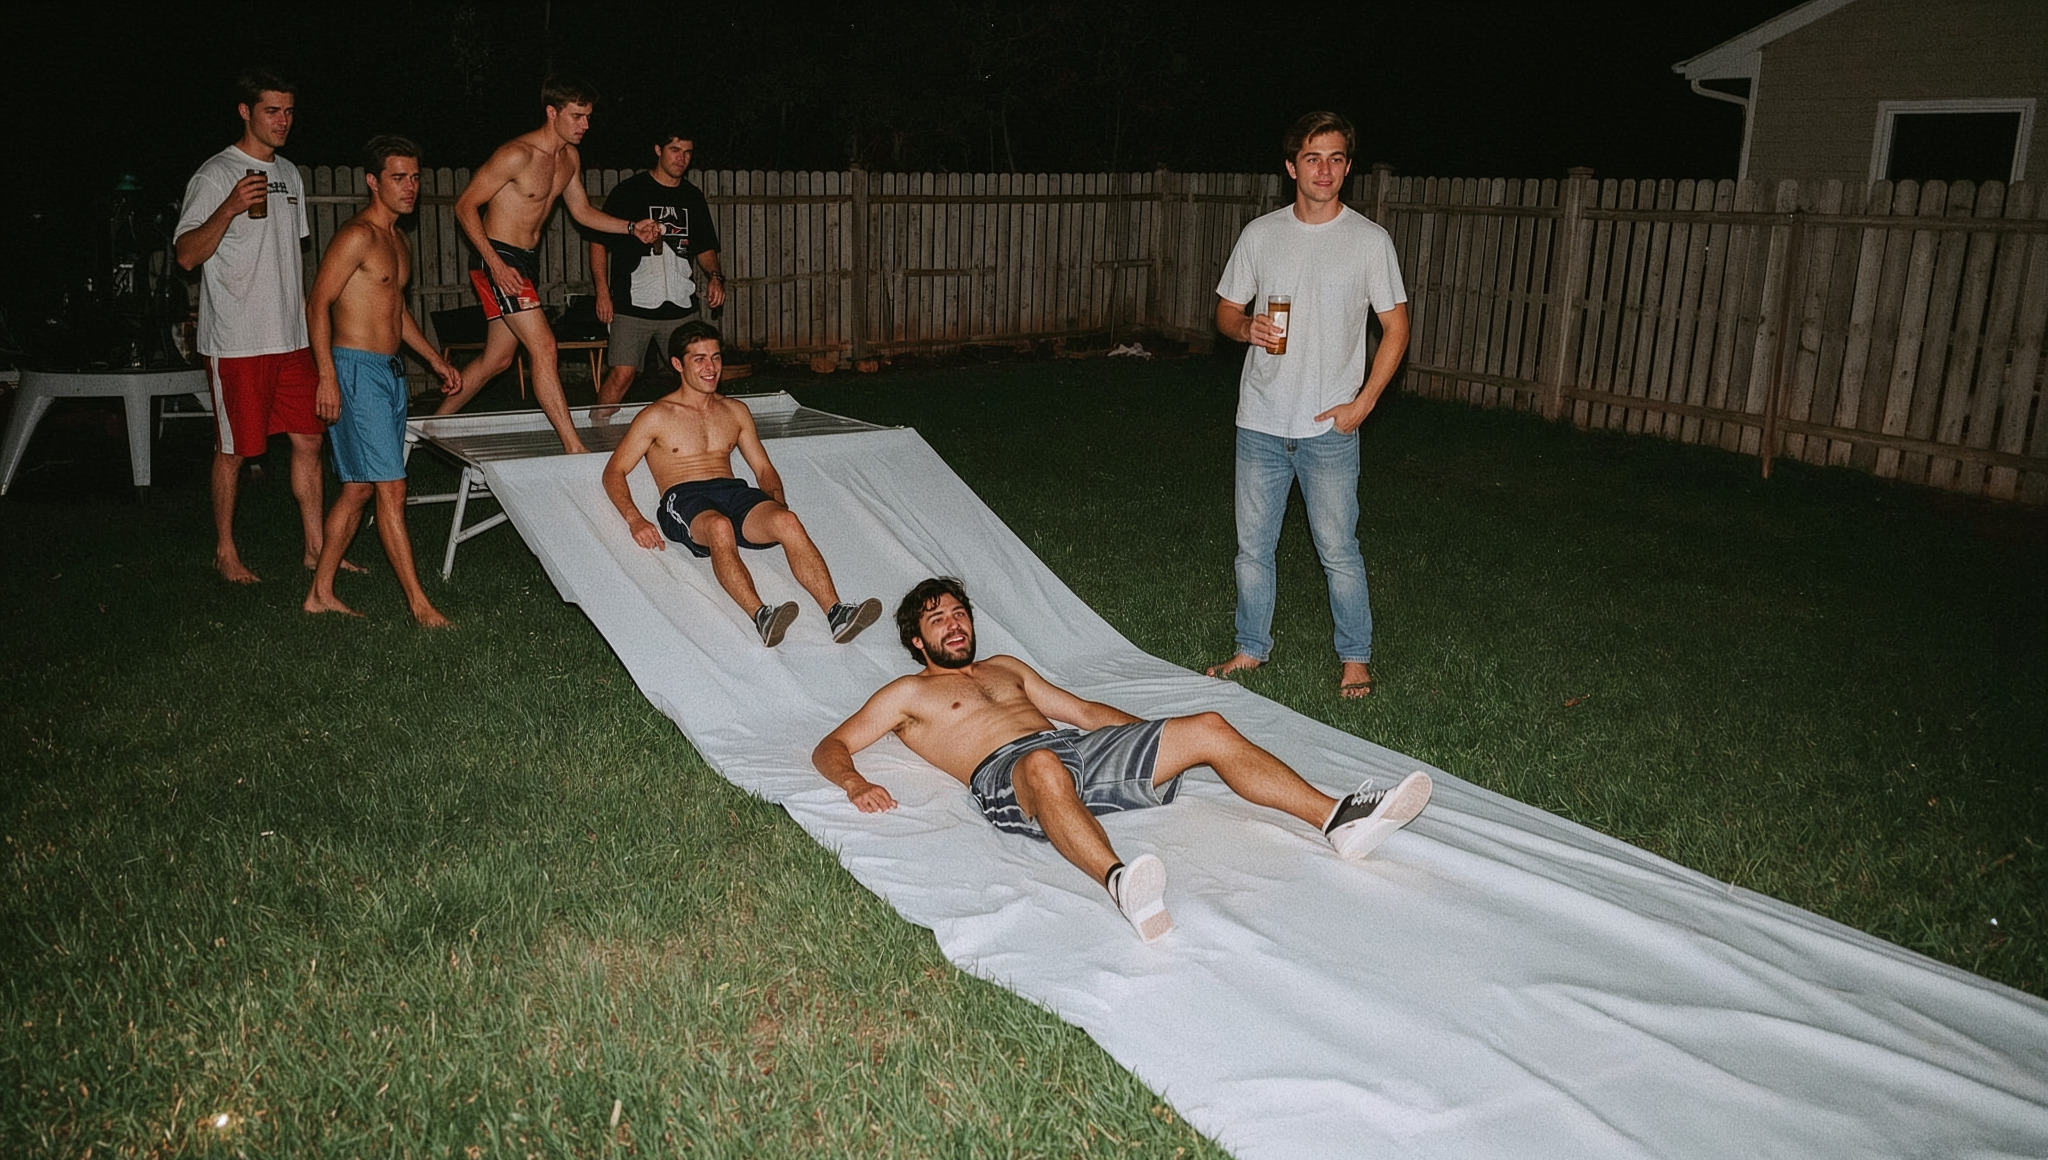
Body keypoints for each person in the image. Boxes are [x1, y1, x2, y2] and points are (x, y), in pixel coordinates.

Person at [813, 578, 1433, 942]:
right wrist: (853, 782)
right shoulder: (907, 695)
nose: (953, 625)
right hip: (1011, 774)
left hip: (1074, 750)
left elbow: (1083, 713)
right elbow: (831, 745)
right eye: (937, 620)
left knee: (1210, 726)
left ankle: (1338, 821)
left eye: (958, 613)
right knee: (1043, 769)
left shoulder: (1006, 669)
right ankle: (1123, 887)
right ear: (917, 641)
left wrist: (1159, 740)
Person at [1206, 112, 1411, 699]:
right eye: (1314, 158)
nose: (1326, 170)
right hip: (1261, 422)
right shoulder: (1260, 234)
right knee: (1252, 548)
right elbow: (1224, 311)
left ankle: (1355, 658)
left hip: (1329, 427)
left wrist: (1363, 404)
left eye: (1338, 158)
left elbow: (1396, 330)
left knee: (1339, 550)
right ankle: (1250, 650)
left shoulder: (1370, 241)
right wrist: (1246, 328)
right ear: (1292, 166)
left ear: (1348, 166)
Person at [600, 321, 881, 647]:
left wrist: (776, 499)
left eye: (716, 358)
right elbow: (614, 471)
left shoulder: (735, 411)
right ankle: (761, 615)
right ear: (677, 364)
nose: (711, 368)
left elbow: (763, 468)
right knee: (720, 527)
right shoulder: (656, 416)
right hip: (684, 497)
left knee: (787, 521)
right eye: (699, 359)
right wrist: (635, 519)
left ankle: (837, 613)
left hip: (733, 491)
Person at [434, 78, 663, 453]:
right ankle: (574, 448)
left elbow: (583, 212)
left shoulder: (569, 158)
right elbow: (464, 206)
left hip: (525, 262)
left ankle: (432, 426)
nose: (585, 125)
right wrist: (493, 263)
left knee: (498, 358)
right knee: (545, 346)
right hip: (499, 257)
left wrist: (631, 227)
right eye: (577, 116)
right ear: (551, 113)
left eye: (588, 117)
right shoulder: (516, 155)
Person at [174, 67, 332, 584]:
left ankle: (315, 548)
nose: (283, 121)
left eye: (289, 111)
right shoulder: (216, 174)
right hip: (238, 341)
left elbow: (292, 255)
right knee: (235, 449)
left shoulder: (290, 173)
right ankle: (225, 551)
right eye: (272, 111)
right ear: (246, 112)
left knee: (309, 439)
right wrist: (230, 206)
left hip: (290, 338)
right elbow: (186, 256)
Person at [302, 136, 463, 628]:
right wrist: (327, 376)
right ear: (373, 181)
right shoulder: (357, 236)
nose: (410, 187)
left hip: (389, 375)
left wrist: (435, 359)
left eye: (415, 177)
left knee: (358, 489)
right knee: (392, 488)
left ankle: (320, 594)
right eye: (399, 177)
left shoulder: (398, 240)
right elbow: (318, 303)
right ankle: (419, 604)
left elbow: (396, 312)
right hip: (353, 371)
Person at [588, 129, 726, 409]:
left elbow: (705, 248)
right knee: (622, 375)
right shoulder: (630, 191)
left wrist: (715, 277)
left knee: (696, 376)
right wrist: (602, 291)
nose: (682, 158)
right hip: (632, 303)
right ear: (658, 150)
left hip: (680, 306)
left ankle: (699, 440)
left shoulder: (692, 197)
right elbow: (598, 242)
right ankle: (596, 430)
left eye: (687, 152)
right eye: (675, 150)